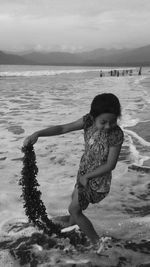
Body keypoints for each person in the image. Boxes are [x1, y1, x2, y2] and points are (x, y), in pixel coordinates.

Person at [23, 93, 124, 253]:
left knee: (74, 209)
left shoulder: (116, 134)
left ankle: (97, 244)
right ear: (93, 116)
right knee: (74, 201)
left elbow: (110, 165)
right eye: (103, 122)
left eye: (112, 121)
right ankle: (71, 226)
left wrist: (87, 176)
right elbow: (63, 128)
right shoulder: (88, 121)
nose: (108, 126)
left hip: (98, 182)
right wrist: (38, 134)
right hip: (83, 174)